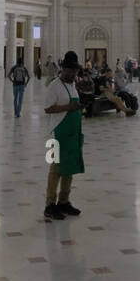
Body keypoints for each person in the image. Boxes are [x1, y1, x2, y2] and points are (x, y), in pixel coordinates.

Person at [43, 51, 85, 220]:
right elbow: (48, 109)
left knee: (69, 168)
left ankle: (64, 201)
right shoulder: (54, 85)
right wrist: (69, 107)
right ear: (63, 70)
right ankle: (49, 205)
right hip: (57, 133)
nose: (73, 75)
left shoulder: (72, 85)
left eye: (75, 72)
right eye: (70, 71)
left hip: (72, 134)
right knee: (55, 169)